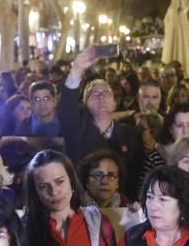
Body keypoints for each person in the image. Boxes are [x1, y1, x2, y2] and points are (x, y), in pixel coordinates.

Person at [58, 47, 143, 199]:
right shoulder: (75, 128)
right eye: (94, 94)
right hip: (80, 204)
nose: (101, 97)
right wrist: (76, 69)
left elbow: (137, 176)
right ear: (84, 103)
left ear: (114, 104)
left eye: (106, 93)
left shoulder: (131, 135)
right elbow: (66, 105)